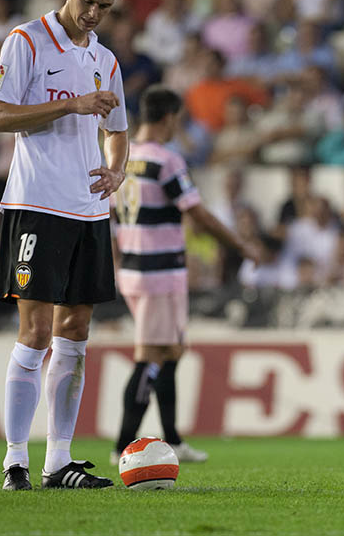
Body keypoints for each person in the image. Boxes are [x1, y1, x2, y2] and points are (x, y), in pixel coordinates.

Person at [0, 0, 128, 491]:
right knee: (35, 332)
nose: (94, 14)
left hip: (89, 209)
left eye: (105, 7)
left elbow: (117, 126)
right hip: (36, 205)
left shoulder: (106, 59)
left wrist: (116, 170)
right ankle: (15, 460)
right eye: (89, 0)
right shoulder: (25, 41)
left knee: (75, 333)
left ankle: (58, 462)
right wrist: (70, 106)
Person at [111, 85, 260, 464]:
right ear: (171, 118)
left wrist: (117, 261)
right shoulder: (167, 160)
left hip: (134, 267)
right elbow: (199, 214)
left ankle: (173, 439)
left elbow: (110, 219)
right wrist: (241, 247)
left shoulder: (120, 158)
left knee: (172, 352)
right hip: (159, 271)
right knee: (151, 355)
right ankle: (121, 446)